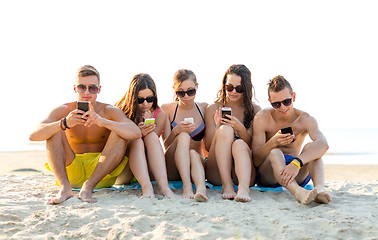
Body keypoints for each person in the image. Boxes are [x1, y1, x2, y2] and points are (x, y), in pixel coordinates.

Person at [29, 65, 143, 204]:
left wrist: (103, 122)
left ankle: (88, 187)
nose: (87, 92)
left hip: (101, 173)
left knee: (119, 132)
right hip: (72, 171)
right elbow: (33, 135)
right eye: (82, 87)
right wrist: (64, 123)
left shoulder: (108, 111)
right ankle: (65, 188)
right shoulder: (64, 110)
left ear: (99, 90)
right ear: (75, 88)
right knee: (54, 130)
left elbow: (135, 133)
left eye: (92, 88)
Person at [252, 75, 332, 205]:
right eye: (276, 104)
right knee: (275, 152)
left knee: (313, 150)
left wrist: (297, 163)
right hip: (269, 174)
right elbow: (256, 160)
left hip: (294, 170)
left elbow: (323, 145)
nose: (282, 107)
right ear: (269, 102)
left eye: (287, 102)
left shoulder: (304, 119)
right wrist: (273, 142)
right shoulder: (263, 118)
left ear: (293, 97)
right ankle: (298, 192)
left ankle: (319, 190)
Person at [205, 64, 261, 202]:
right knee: (226, 129)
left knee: (239, 144)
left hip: (244, 171)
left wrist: (240, 128)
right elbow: (207, 147)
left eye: (239, 88)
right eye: (229, 87)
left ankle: (243, 188)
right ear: (224, 86)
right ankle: (227, 185)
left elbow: (255, 148)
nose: (233, 91)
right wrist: (218, 126)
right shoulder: (213, 108)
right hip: (217, 172)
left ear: (246, 89)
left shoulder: (255, 110)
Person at [115, 73, 175, 197]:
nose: (145, 103)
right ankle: (146, 188)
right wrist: (137, 130)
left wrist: (147, 125)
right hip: (125, 167)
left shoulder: (160, 114)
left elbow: (152, 144)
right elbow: (116, 144)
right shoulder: (120, 110)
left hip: (148, 167)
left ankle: (163, 188)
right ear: (132, 98)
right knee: (136, 140)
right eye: (140, 100)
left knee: (152, 136)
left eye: (150, 99)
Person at [161, 69, 208, 201]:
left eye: (190, 91)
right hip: (173, 165)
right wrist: (176, 131)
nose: (186, 96)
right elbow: (165, 145)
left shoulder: (204, 108)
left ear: (197, 87)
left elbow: (207, 146)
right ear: (174, 90)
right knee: (183, 136)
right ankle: (187, 186)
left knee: (193, 153)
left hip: (196, 163)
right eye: (180, 92)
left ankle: (201, 188)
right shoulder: (167, 109)